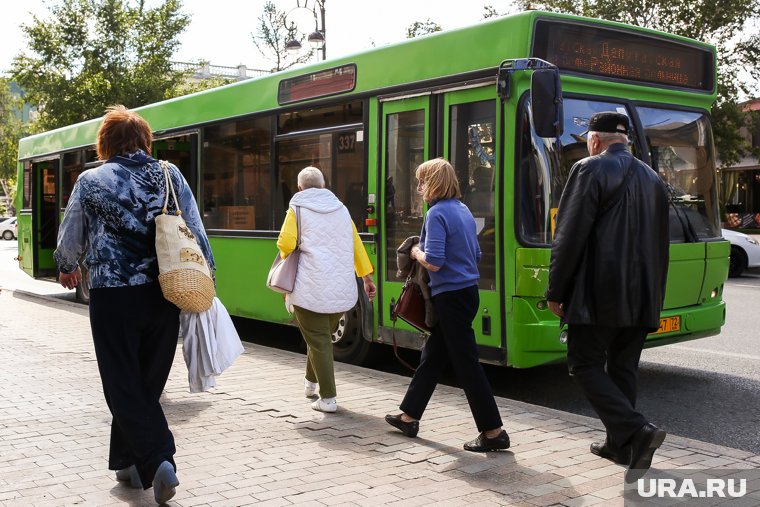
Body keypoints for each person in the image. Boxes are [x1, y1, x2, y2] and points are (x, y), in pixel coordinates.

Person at [54, 105, 215, 504]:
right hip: (166, 290)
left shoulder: (91, 180)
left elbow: (70, 232)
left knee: (122, 380)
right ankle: (128, 463)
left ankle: (160, 458)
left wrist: (66, 265)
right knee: (146, 380)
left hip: (113, 293)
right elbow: (194, 228)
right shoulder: (169, 174)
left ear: (104, 144)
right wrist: (209, 274)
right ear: (145, 140)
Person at [546, 112, 670, 483]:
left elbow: (569, 236)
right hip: (643, 294)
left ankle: (636, 430)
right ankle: (619, 445)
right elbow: (661, 246)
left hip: (598, 293)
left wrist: (556, 290)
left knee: (583, 364)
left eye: (587, 139)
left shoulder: (588, 169)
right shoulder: (654, 179)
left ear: (596, 141)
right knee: (623, 367)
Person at [384, 158, 509, 452]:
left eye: (422, 181)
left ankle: (493, 432)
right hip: (467, 292)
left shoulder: (437, 213)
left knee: (466, 365)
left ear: (434, 183)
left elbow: (435, 262)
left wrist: (415, 252)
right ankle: (408, 416)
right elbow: (476, 253)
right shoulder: (463, 210)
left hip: (450, 297)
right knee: (433, 356)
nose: (418, 188)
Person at [276, 166, 376, 413]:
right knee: (319, 337)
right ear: (323, 185)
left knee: (319, 340)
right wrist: (366, 277)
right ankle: (310, 384)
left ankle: (328, 399)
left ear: (300, 187)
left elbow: (285, 243)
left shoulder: (297, 208)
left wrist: (291, 252)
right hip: (341, 290)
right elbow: (356, 244)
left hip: (309, 286)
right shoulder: (341, 209)